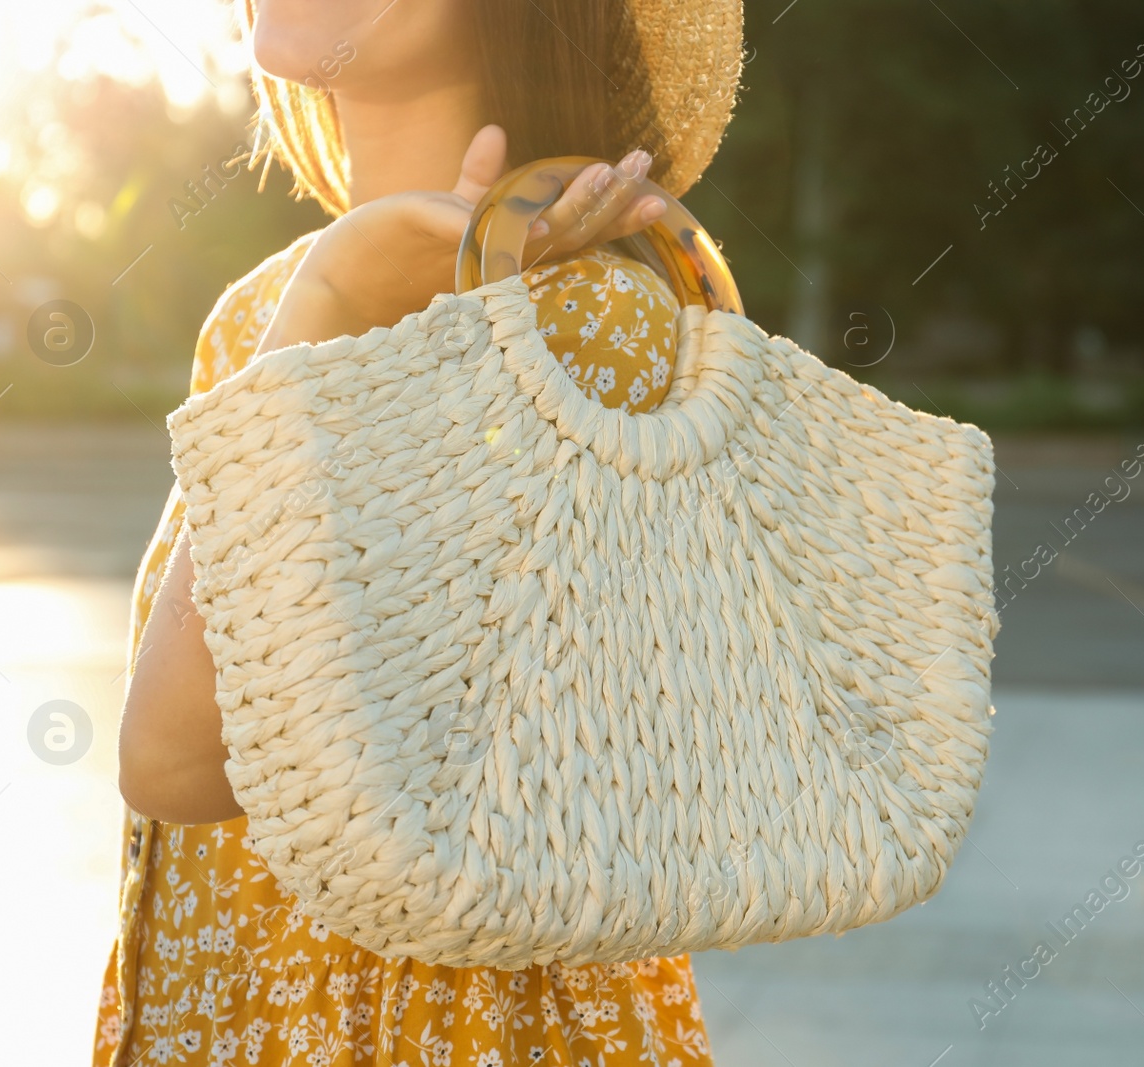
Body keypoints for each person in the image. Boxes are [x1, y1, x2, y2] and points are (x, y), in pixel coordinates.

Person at [98, 1, 743, 1063]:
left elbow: (175, 758)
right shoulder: (260, 311)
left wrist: (336, 311)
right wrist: (325, 300)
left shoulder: (586, 325)